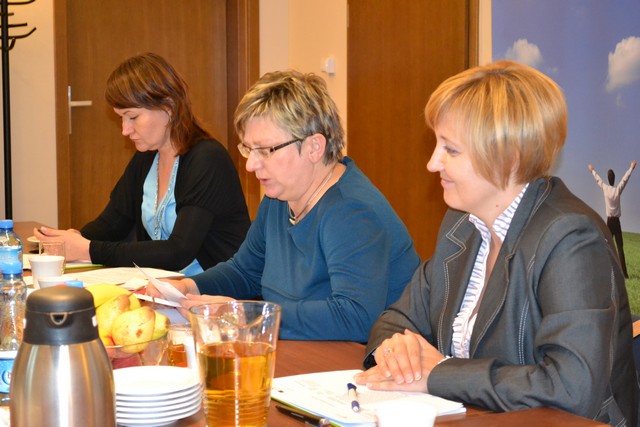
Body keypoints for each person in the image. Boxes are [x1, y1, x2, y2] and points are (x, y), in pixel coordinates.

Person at [354, 61, 638, 425]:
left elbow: (571, 389)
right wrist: (398, 352)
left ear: (508, 159)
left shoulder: (571, 238)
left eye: (450, 150)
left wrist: (439, 373)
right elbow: (396, 320)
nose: (432, 163)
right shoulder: (462, 224)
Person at [147, 69, 421, 341]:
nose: (251, 165)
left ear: (314, 147)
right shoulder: (280, 196)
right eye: (248, 149)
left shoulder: (351, 211)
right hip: (307, 350)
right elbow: (246, 271)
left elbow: (355, 317)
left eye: (265, 150)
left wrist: (244, 315)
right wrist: (189, 286)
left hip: (361, 357)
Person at [36, 52, 251, 275]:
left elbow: (178, 251)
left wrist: (88, 249)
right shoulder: (147, 157)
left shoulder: (207, 159)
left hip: (215, 290)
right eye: (121, 118)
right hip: (166, 285)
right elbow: (111, 224)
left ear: (168, 107)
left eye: (132, 117)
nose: (125, 130)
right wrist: (67, 241)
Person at [588, 161, 637, 278]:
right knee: (620, 248)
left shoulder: (606, 189)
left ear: (608, 179)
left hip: (609, 222)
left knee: (607, 246)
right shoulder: (617, 190)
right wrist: (631, 168)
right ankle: (624, 274)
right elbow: (625, 180)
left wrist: (592, 170)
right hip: (617, 223)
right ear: (614, 179)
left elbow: (598, 180)